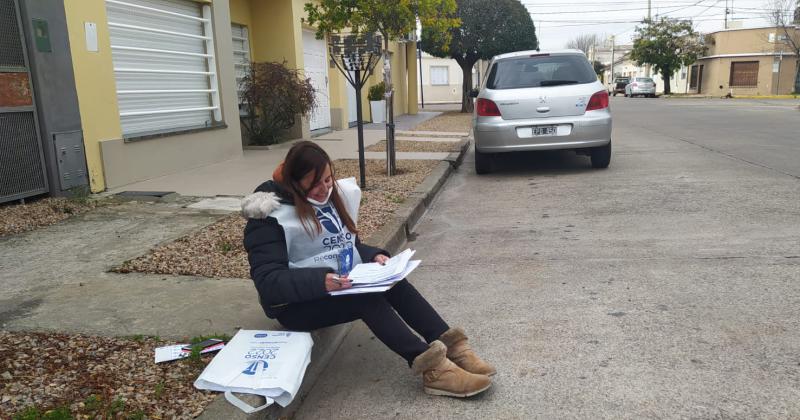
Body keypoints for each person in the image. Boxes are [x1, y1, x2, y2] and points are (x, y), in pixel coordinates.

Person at [241, 141, 495, 397]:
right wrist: (322, 281)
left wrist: (375, 257)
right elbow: (268, 283)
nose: (324, 189)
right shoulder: (267, 217)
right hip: (294, 306)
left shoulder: (329, 196)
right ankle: (435, 370)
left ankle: (455, 347)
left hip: (332, 286)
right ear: (294, 182)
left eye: (328, 180)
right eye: (314, 183)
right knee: (365, 298)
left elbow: (346, 245)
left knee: (394, 282)